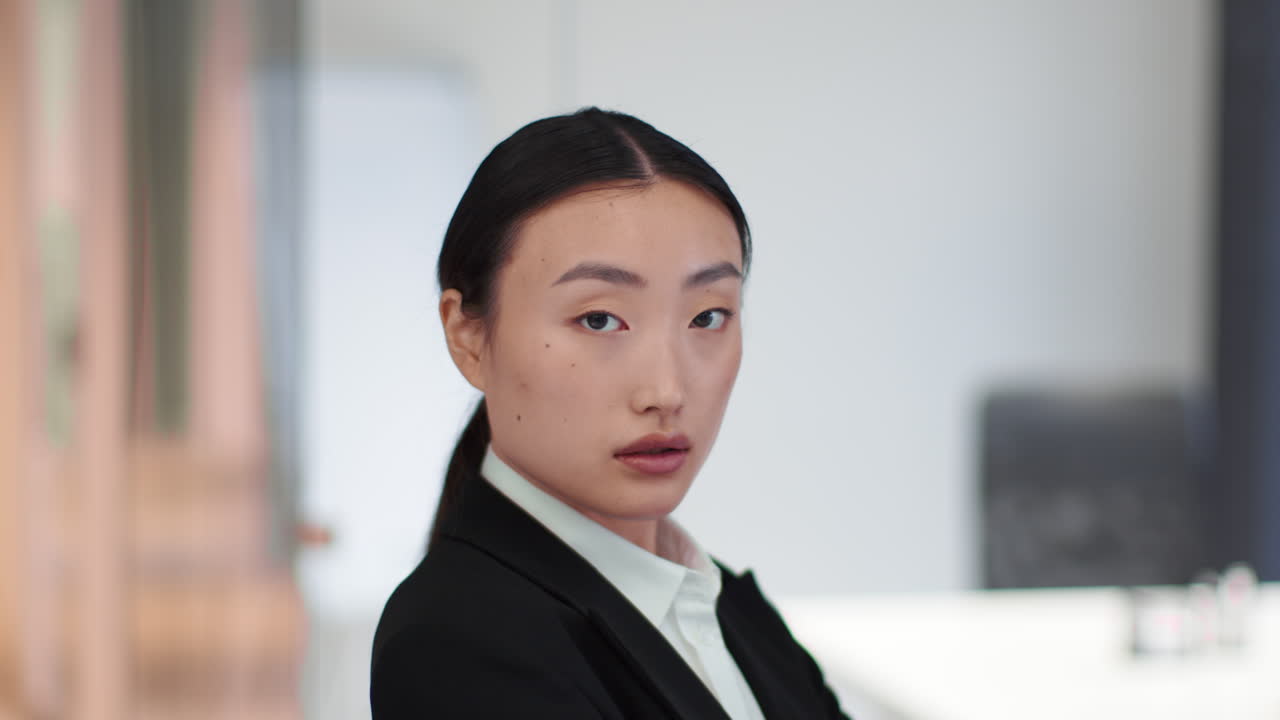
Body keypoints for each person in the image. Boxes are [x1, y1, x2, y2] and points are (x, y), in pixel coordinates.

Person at [370, 107, 850, 719]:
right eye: (599, 319)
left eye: (707, 316)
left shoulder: (724, 605)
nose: (666, 389)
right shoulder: (457, 643)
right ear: (468, 336)